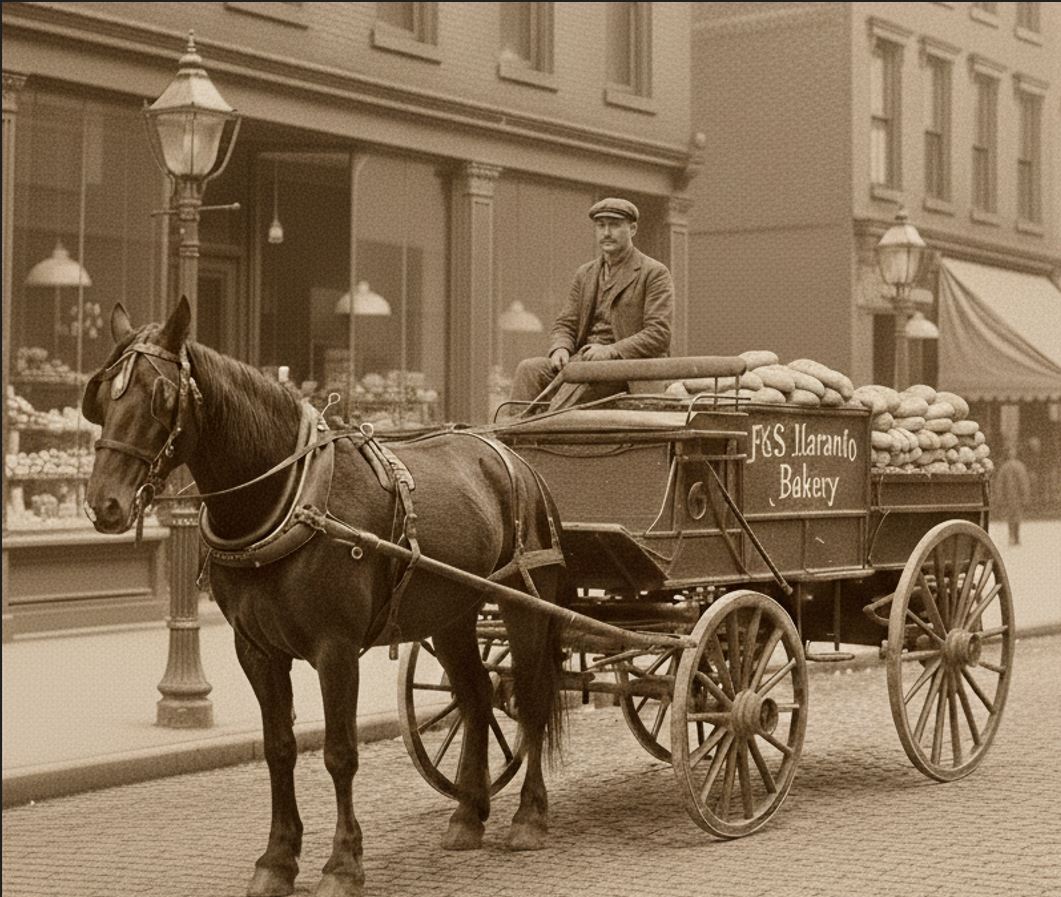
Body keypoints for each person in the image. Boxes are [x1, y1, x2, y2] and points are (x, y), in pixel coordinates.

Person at [510, 197, 674, 409]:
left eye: (614, 225)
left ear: (632, 229)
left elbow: (659, 334)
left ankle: (536, 429)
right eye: (600, 226)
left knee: (574, 384)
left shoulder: (654, 273)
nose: (606, 233)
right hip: (582, 361)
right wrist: (560, 348)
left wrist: (611, 350)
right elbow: (566, 323)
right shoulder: (585, 274)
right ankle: (510, 434)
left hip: (628, 370)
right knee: (528, 369)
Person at [994, 445, 1031, 546]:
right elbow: (1001, 483)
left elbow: (1024, 483)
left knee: (1014, 517)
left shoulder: (1007, 467)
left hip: (1013, 496)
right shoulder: (1016, 466)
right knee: (1014, 517)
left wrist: (1000, 497)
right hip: (1011, 496)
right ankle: (1014, 537)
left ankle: (1014, 537)